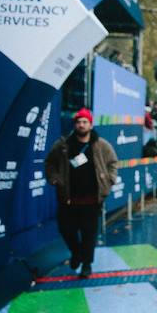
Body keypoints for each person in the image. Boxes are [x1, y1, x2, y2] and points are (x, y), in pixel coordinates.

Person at [45, 108, 118, 279]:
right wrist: (54, 179)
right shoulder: (63, 145)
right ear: (75, 125)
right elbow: (49, 163)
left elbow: (113, 162)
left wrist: (110, 180)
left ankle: (87, 264)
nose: (81, 125)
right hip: (68, 199)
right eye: (78, 122)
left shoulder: (101, 145)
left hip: (92, 200)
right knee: (66, 230)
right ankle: (76, 252)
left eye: (85, 122)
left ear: (91, 125)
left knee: (89, 234)